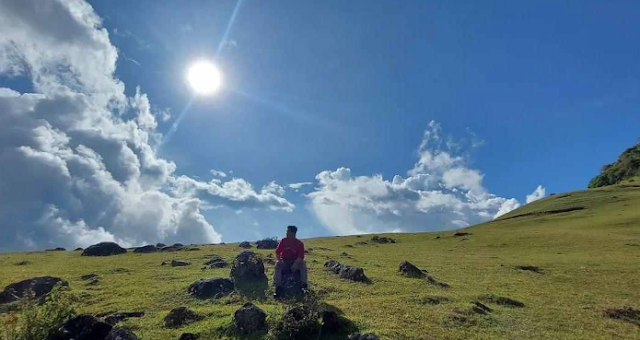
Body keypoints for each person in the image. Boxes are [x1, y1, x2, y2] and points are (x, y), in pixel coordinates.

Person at [273, 225, 308, 297]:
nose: (286, 233)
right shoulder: (283, 241)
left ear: (293, 233)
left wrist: (296, 263)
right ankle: (278, 288)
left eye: (288, 231)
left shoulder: (299, 243)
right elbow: (277, 252)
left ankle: (303, 286)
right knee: (277, 264)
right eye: (287, 231)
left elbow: (301, 256)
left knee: (303, 264)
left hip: (295, 262)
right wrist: (280, 260)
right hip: (284, 261)